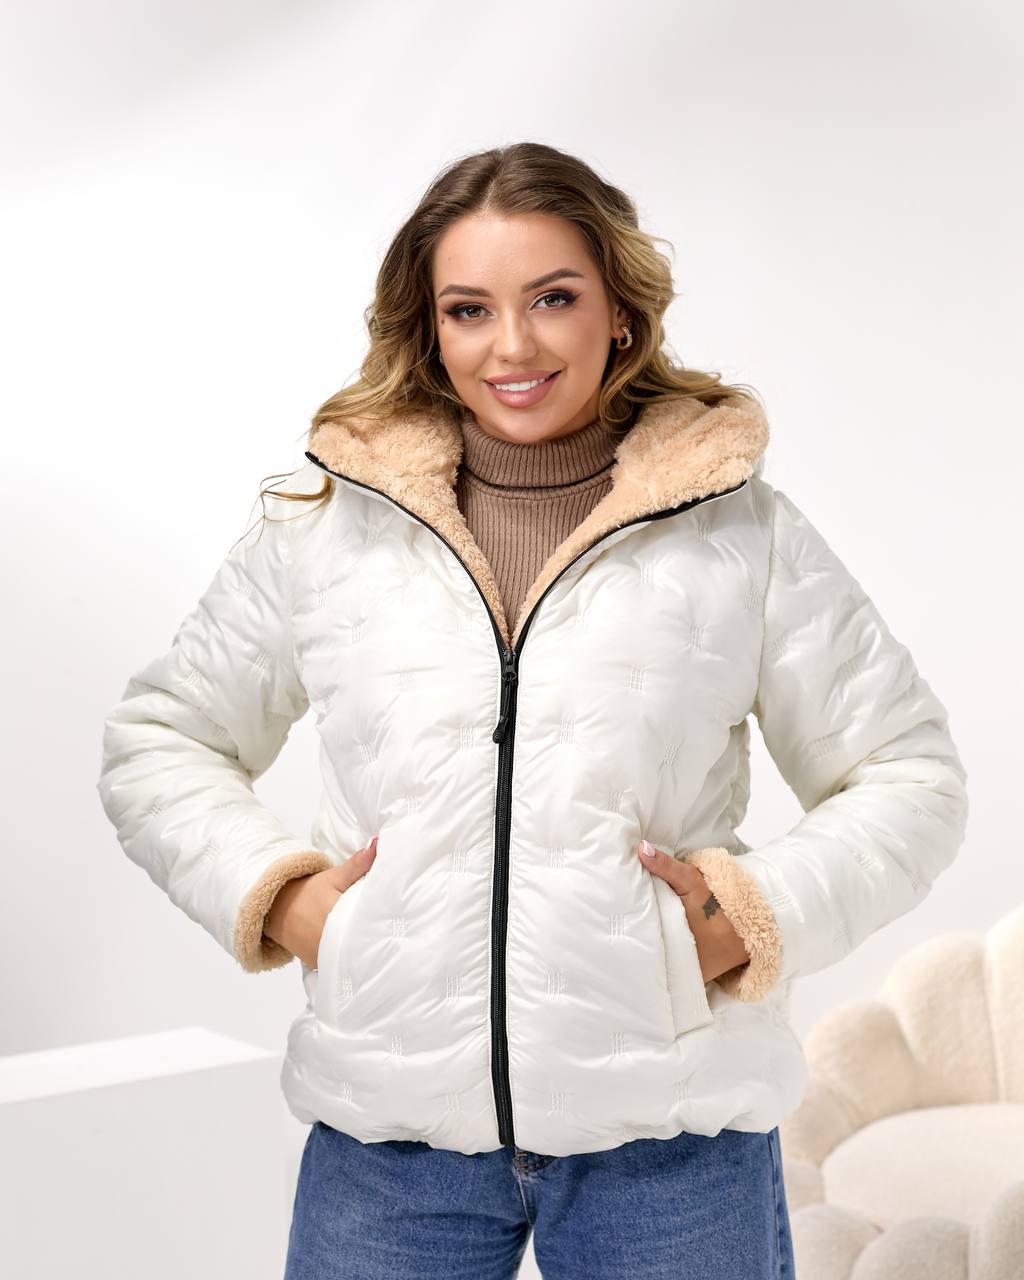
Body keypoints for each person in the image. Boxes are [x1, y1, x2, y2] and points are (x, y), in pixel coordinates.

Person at [96, 141, 968, 1279]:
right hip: (391, 1142)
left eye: (552, 298)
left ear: (618, 312)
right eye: (469, 309)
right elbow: (161, 738)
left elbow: (909, 775)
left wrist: (746, 916)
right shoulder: (330, 534)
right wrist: (286, 899)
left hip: (673, 1139)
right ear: (429, 329)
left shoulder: (738, 533)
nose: (511, 346)